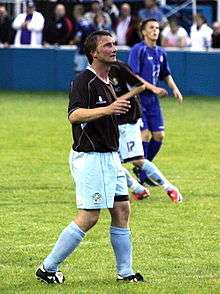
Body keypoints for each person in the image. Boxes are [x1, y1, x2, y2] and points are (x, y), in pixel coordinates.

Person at [36, 30, 144, 284]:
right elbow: (73, 115)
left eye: (114, 44)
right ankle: (47, 268)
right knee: (89, 216)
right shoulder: (84, 80)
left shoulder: (108, 82)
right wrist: (108, 109)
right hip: (91, 158)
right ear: (94, 53)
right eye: (107, 45)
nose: (114, 48)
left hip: (110, 158)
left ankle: (125, 273)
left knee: (121, 209)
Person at [110, 61, 183, 202]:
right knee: (110, 163)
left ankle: (170, 188)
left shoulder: (119, 67)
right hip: (111, 121)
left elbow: (140, 86)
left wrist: (119, 100)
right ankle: (139, 190)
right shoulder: (95, 72)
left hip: (128, 118)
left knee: (137, 160)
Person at [128, 18, 183, 184]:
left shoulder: (160, 52)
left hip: (152, 101)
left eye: (157, 28)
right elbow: (133, 76)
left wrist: (175, 88)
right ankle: (144, 175)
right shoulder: (138, 50)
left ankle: (143, 167)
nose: (155, 30)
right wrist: (153, 88)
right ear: (143, 31)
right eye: (151, 28)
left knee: (159, 135)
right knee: (144, 135)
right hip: (138, 98)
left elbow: (165, 74)